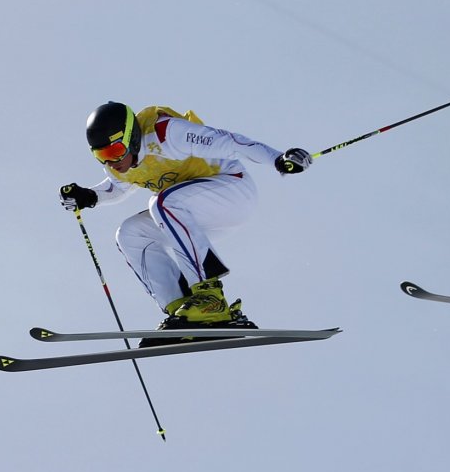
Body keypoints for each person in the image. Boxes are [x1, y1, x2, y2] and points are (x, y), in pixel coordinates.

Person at [58, 101, 312, 329]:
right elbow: (114, 189)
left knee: (162, 203)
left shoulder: (167, 133)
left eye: (113, 152)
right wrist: (89, 196)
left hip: (232, 191)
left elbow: (230, 142)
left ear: (131, 138)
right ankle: (181, 309)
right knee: (131, 233)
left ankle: (210, 298)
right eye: (101, 156)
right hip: (190, 217)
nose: (111, 163)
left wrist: (277, 158)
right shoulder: (122, 164)